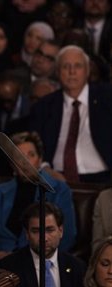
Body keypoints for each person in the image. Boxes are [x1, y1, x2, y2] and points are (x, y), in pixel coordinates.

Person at [0, 131, 76, 262]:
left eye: (31, 155)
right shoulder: (0, 191)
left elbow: (67, 235)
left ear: (40, 159)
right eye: (19, 156)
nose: (25, 161)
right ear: (12, 163)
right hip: (0, 261)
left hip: (40, 261)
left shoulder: (59, 190)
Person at [30, 45, 112, 184]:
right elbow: (32, 146)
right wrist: (45, 168)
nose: (72, 72)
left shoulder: (107, 98)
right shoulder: (44, 106)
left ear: (87, 71)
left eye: (78, 66)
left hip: (104, 180)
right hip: (56, 180)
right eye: (66, 66)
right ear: (57, 72)